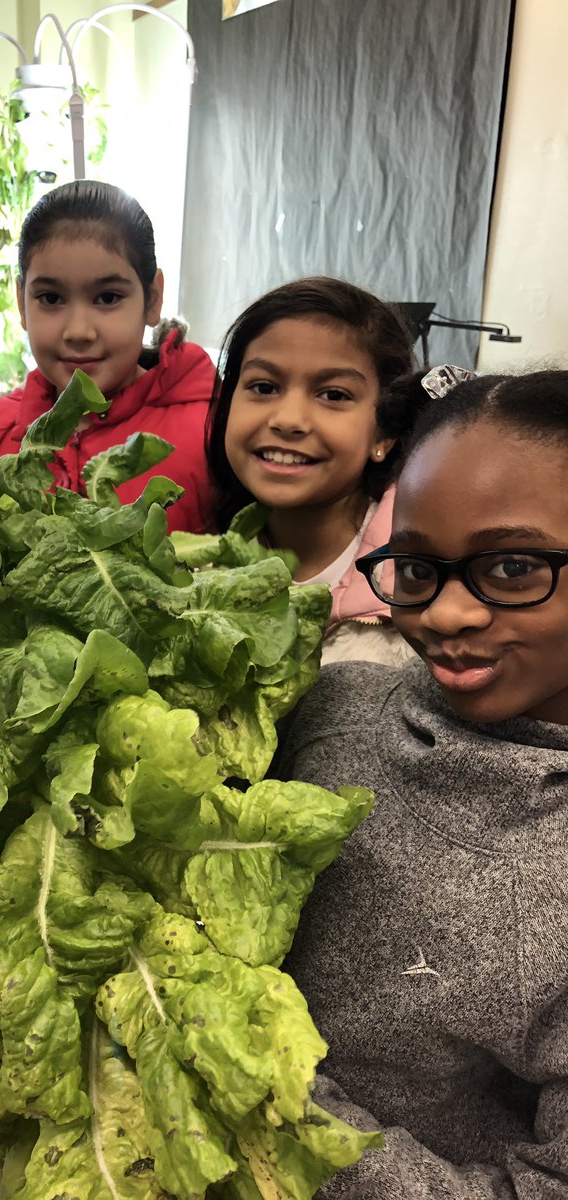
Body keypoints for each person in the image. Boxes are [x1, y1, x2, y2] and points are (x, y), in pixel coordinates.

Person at [276, 369, 568, 1196]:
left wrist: (280, 1112)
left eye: (512, 568)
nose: (443, 614)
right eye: (414, 568)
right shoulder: (334, 704)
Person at [0, 180, 216, 533]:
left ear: (152, 299)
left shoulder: (215, 432)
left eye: (107, 298)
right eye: (51, 299)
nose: (78, 331)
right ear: (21, 301)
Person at [206, 277, 426, 666]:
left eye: (333, 395)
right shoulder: (197, 567)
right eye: (263, 386)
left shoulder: (421, 594)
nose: (288, 420)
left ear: (385, 433)